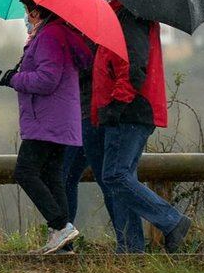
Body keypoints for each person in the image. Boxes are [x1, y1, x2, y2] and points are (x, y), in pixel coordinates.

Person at [91, 0, 191, 254]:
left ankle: (171, 221)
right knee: (122, 177)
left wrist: (116, 105)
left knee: (115, 175)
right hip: (130, 110)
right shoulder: (124, 14)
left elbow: (134, 67)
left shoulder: (129, 16)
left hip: (129, 111)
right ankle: (131, 247)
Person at [0, 0, 92, 254]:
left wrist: (15, 80)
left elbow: (47, 80)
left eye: (27, 10)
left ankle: (61, 226)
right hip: (59, 120)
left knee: (25, 172)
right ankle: (63, 242)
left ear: (36, 11)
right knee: (52, 177)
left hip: (47, 120)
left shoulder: (50, 36)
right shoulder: (57, 34)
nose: (26, 16)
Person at [61, 40, 146, 254]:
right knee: (69, 177)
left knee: (110, 179)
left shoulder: (91, 31)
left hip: (91, 114)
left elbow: (92, 68)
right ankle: (65, 240)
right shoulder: (73, 29)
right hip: (80, 113)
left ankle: (129, 245)